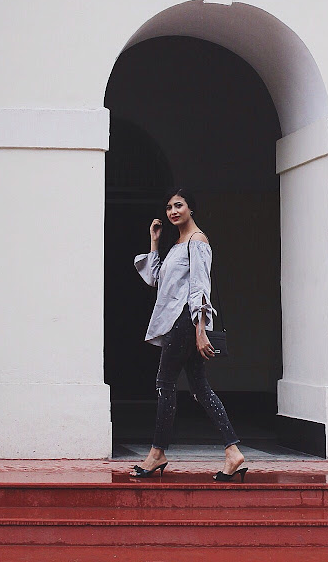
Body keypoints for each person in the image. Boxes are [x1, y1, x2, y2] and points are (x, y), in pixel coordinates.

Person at [131, 188, 247, 482]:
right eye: (169, 206)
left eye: (178, 205)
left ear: (190, 209)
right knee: (199, 387)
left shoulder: (198, 242)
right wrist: (155, 242)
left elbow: (200, 288)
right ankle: (233, 452)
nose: (172, 211)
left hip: (185, 321)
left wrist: (200, 329)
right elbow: (155, 279)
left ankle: (157, 453)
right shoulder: (177, 244)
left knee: (165, 384)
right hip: (176, 321)